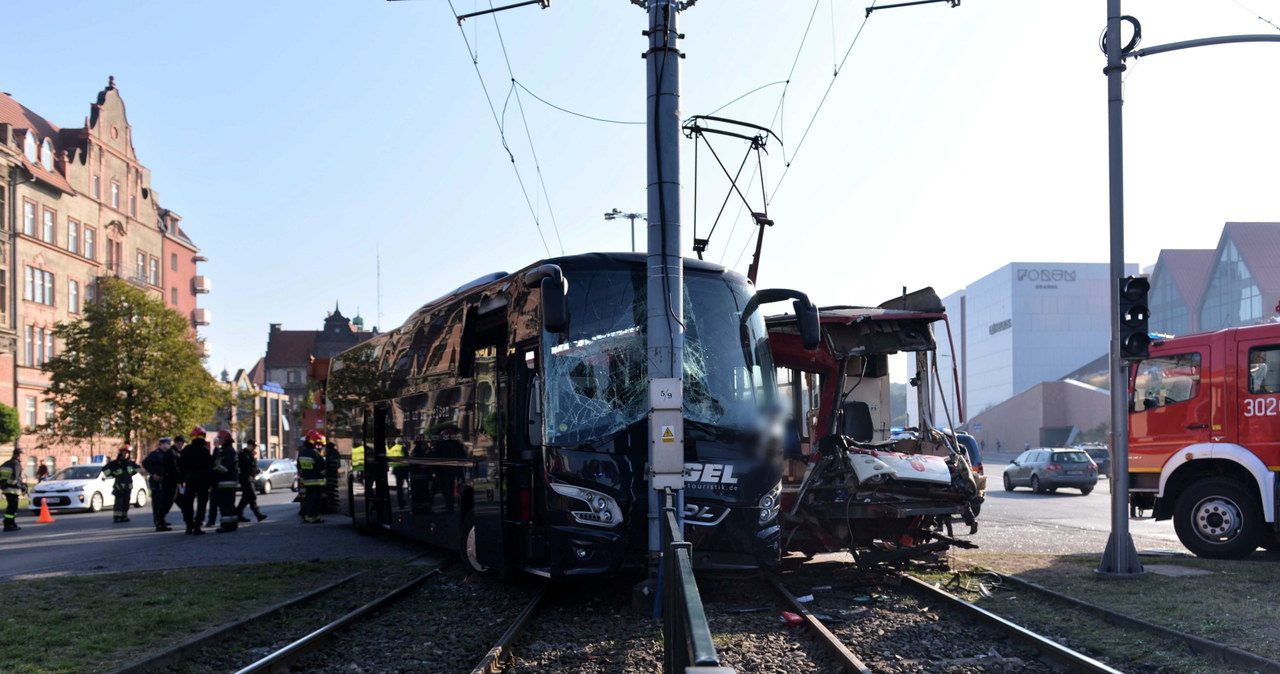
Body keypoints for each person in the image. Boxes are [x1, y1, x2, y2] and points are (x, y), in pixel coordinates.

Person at [177, 426, 214, 535]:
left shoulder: (186, 450)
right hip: (202, 482)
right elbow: (209, 468)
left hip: (189, 481)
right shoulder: (205, 451)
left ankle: (189, 526)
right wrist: (211, 483)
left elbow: (181, 466)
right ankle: (197, 526)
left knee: (188, 503)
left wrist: (181, 480)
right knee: (201, 504)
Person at [142, 437, 175, 531]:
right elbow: (145, 463)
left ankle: (161, 520)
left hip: (164, 480)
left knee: (164, 501)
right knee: (157, 501)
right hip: (157, 481)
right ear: (161, 444)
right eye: (166, 443)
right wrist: (153, 473)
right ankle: (158, 522)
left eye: (169, 443)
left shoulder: (166, 454)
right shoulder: (156, 454)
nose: (168, 445)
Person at [102, 445, 141, 523]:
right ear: (121, 453)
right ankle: (117, 517)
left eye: (127, 453)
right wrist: (113, 474)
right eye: (124, 452)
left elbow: (138, 469)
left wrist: (131, 474)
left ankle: (124, 516)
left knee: (126, 502)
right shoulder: (115, 463)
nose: (125, 454)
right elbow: (105, 470)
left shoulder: (130, 463)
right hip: (119, 486)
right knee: (119, 503)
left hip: (128, 486)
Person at [211, 429, 240, 533]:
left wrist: (213, 469)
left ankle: (226, 525)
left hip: (225, 482)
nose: (219, 440)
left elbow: (224, 468)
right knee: (230, 504)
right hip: (229, 482)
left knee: (225, 505)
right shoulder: (228, 450)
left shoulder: (227, 451)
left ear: (225, 439)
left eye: (220, 438)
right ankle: (233, 523)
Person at [296, 430, 328, 524]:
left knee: (309, 499)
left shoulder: (302, 453)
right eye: (319, 444)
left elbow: (299, 467)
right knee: (316, 501)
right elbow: (322, 470)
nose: (320, 446)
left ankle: (306, 515)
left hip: (306, 481)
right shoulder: (315, 454)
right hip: (316, 482)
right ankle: (312, 517)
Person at [235, 440, 267, 523]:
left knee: (246, 498)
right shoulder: (243, 454)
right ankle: (258, 514)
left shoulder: (250, 454)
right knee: (252, 495)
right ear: (249, 445)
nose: (254, 448)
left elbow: (253, 467)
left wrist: (257, 470)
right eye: (253, 446)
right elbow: (247, 466)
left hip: (250, 477)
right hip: (245, 478)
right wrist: (252, 458)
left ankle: (238, 514)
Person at [1, 448, 25, 532]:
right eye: (22, 455)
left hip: (6, 489)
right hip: (13, 489)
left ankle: (11, 523)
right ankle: (8, 523)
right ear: (18, 455)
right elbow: (16, 478)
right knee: (13, 508)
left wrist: (3, 485)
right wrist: (23, 487)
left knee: (10, 507)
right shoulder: (16, 464)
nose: (23, 457)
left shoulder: (5, 464)